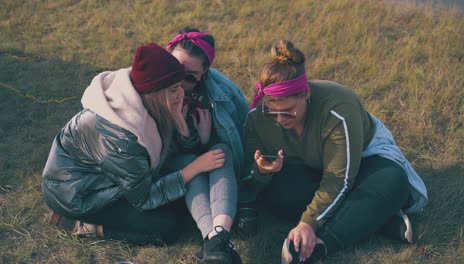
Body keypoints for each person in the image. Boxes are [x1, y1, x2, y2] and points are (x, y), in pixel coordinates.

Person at [241, 40, 428, 263]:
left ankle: (319, 247)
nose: (280, 120)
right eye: (273, 112)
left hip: (365, 160)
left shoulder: (339, 109)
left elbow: (338, 179)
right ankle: (379, 219)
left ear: (306, 93)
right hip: (311, 169)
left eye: (289, 112)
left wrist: (307, 224)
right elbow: (250, 180)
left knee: (393, 180)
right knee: (277, 193)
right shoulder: (256, 118)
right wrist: (263, 171)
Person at [42, 43, 227, 246]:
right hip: (79, 194)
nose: (181, 95)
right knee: (168, 228)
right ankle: (79, 225)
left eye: (181, 87)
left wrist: (183, 130)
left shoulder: (149, 101)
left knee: (183, 206)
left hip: (116, 181)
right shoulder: (121, 136)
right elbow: (144, 198)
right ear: (156, 93)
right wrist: (194, 168)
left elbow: (166, 155)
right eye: (174, 90)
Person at [165, 27, 248, 264]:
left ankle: (215, 240)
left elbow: (235, 143)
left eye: (189, 77)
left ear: (204, 74)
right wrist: (182, 131)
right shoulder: (151, 86)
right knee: (187, 161)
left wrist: (201, 140)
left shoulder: (222, 95)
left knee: (220, 151)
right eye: (175, 70)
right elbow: (161, 156)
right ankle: (218, 241)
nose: (179, 82)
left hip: (207, 165)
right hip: (173, 172)